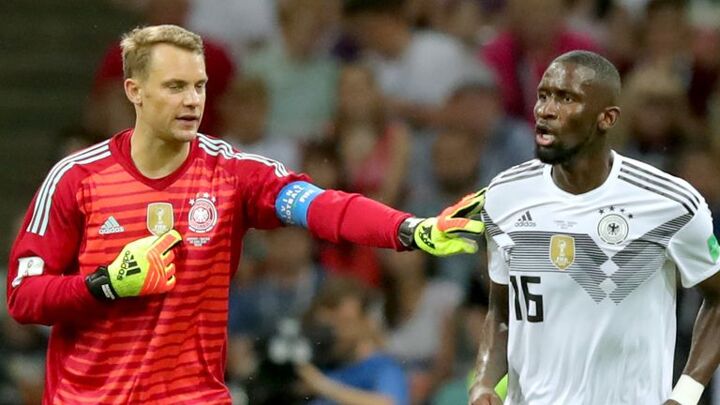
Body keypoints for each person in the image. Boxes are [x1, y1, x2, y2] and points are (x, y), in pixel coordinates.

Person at [5, 25, 485, 404]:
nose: (193, 100)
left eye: (199, 86)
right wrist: (105, 284)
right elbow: (24, 297)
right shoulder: (76, 178)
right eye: (175, 87)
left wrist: (408, 228)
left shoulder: (233, 174)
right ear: (135, 91)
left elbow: (323, 206)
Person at [469, 50, 720, 405]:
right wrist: (483, 383)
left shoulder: (669, 202)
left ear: (607, 118)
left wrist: (686, 395)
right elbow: (502, 312)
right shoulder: (505, 196)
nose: (546, 110)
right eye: (543, 95)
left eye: (566, 98)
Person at [296, 276, 409, 405]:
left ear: (367, 322)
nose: (336, 332)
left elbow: (389, 403)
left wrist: (322, 385)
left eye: (345, 322)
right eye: (329, 325)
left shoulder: (383, 368)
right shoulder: (322, 368)